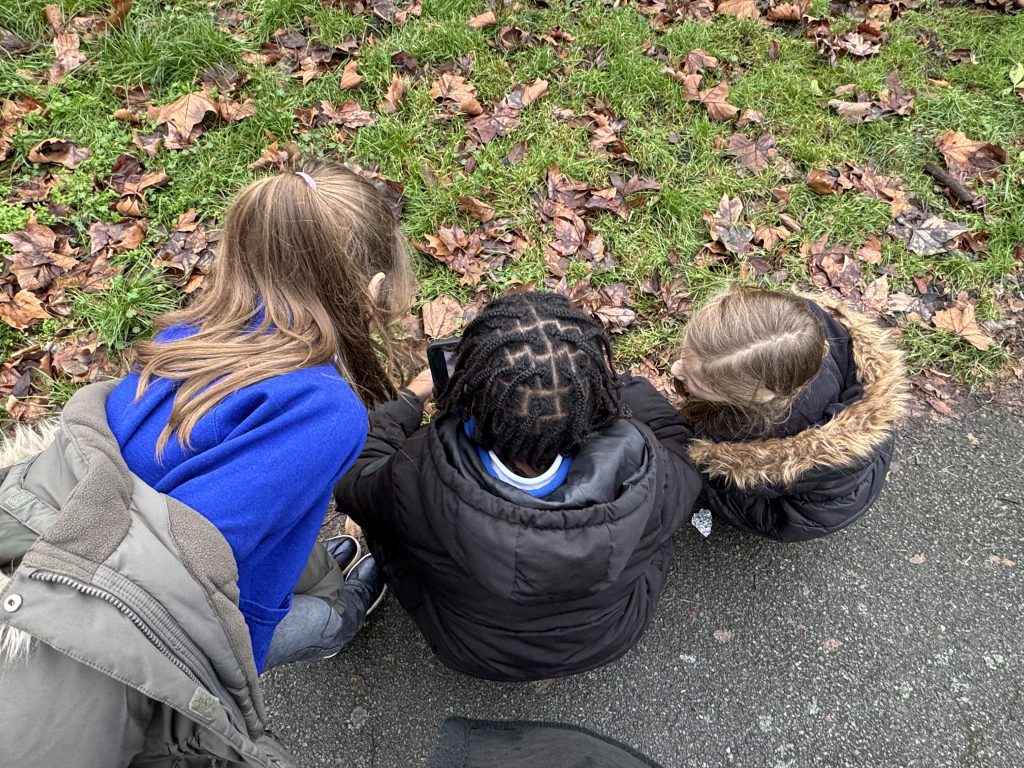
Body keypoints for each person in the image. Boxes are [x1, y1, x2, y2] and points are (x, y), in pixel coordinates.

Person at [0, 161, 414, 767]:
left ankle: (325, 578)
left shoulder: (189, 334)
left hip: (78, 536)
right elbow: (206, 583)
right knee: (322, 619)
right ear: (374, 288)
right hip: (158, 624)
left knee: (303, 557)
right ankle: (342, 619)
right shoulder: (328, 412)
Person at [334, 291, 702, 682]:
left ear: (470, 401)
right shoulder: (650, 468)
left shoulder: (417, 470)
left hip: (474, 651)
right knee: (656, 526)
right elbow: (683, 450)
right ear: (595, 405)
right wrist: (613, 384)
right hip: (612, 634)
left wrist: (409, 399)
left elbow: (354, 478)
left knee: (384, 517)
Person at [670, 286, 910, 542]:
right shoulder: (794, 332)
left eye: (698, 382)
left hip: (799, 515)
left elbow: (714, 463)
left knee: (696, 472)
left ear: (756, 398)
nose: (674, 369)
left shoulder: (756, 434)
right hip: (848, 473)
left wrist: (698, 466)